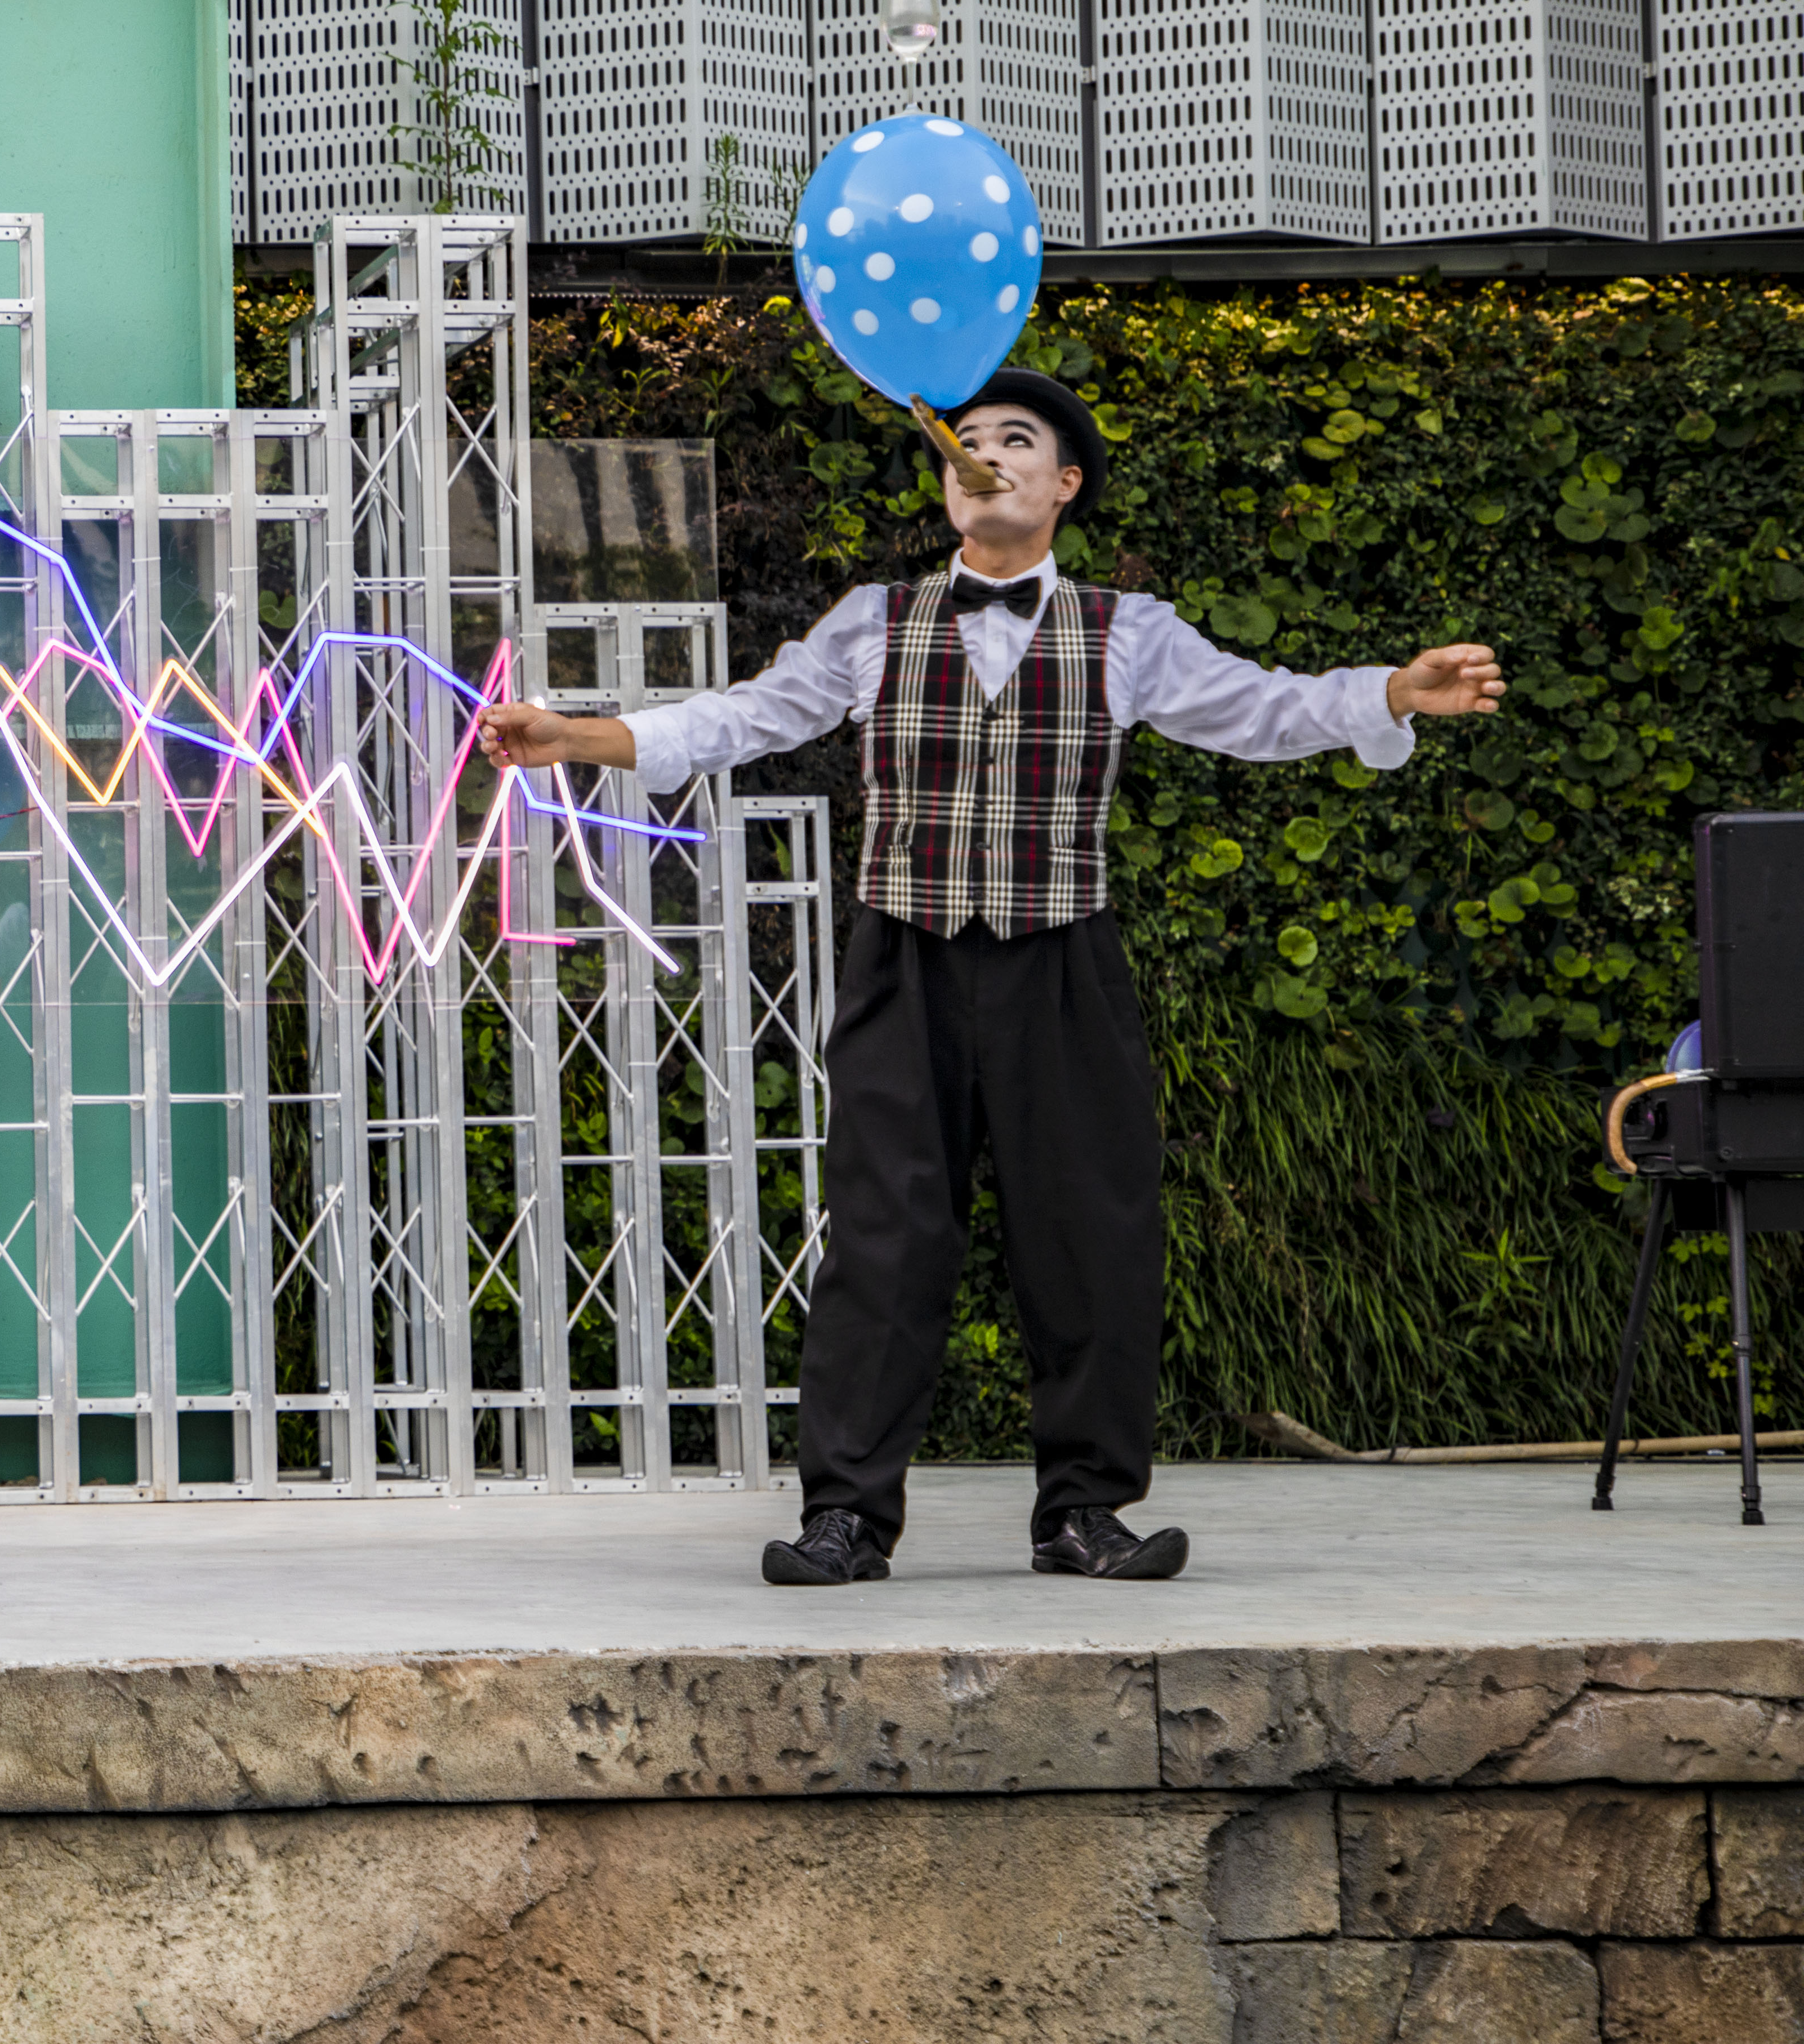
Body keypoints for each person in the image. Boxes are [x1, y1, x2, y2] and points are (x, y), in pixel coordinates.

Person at [478, 369, 1503, 1584]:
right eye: (966, 441)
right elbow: (745, 717)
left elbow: (1263, 711)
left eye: (1018, 441)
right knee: (882, 1236)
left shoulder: (1134, 630)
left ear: (1065, 483)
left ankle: (1084, 1509)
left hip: (1062, 959)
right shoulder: (874, 619)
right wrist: (582, 736)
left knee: (1090, 1235)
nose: (986, 456)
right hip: (904, 959)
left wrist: (1390, 692)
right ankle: (848, 1516)